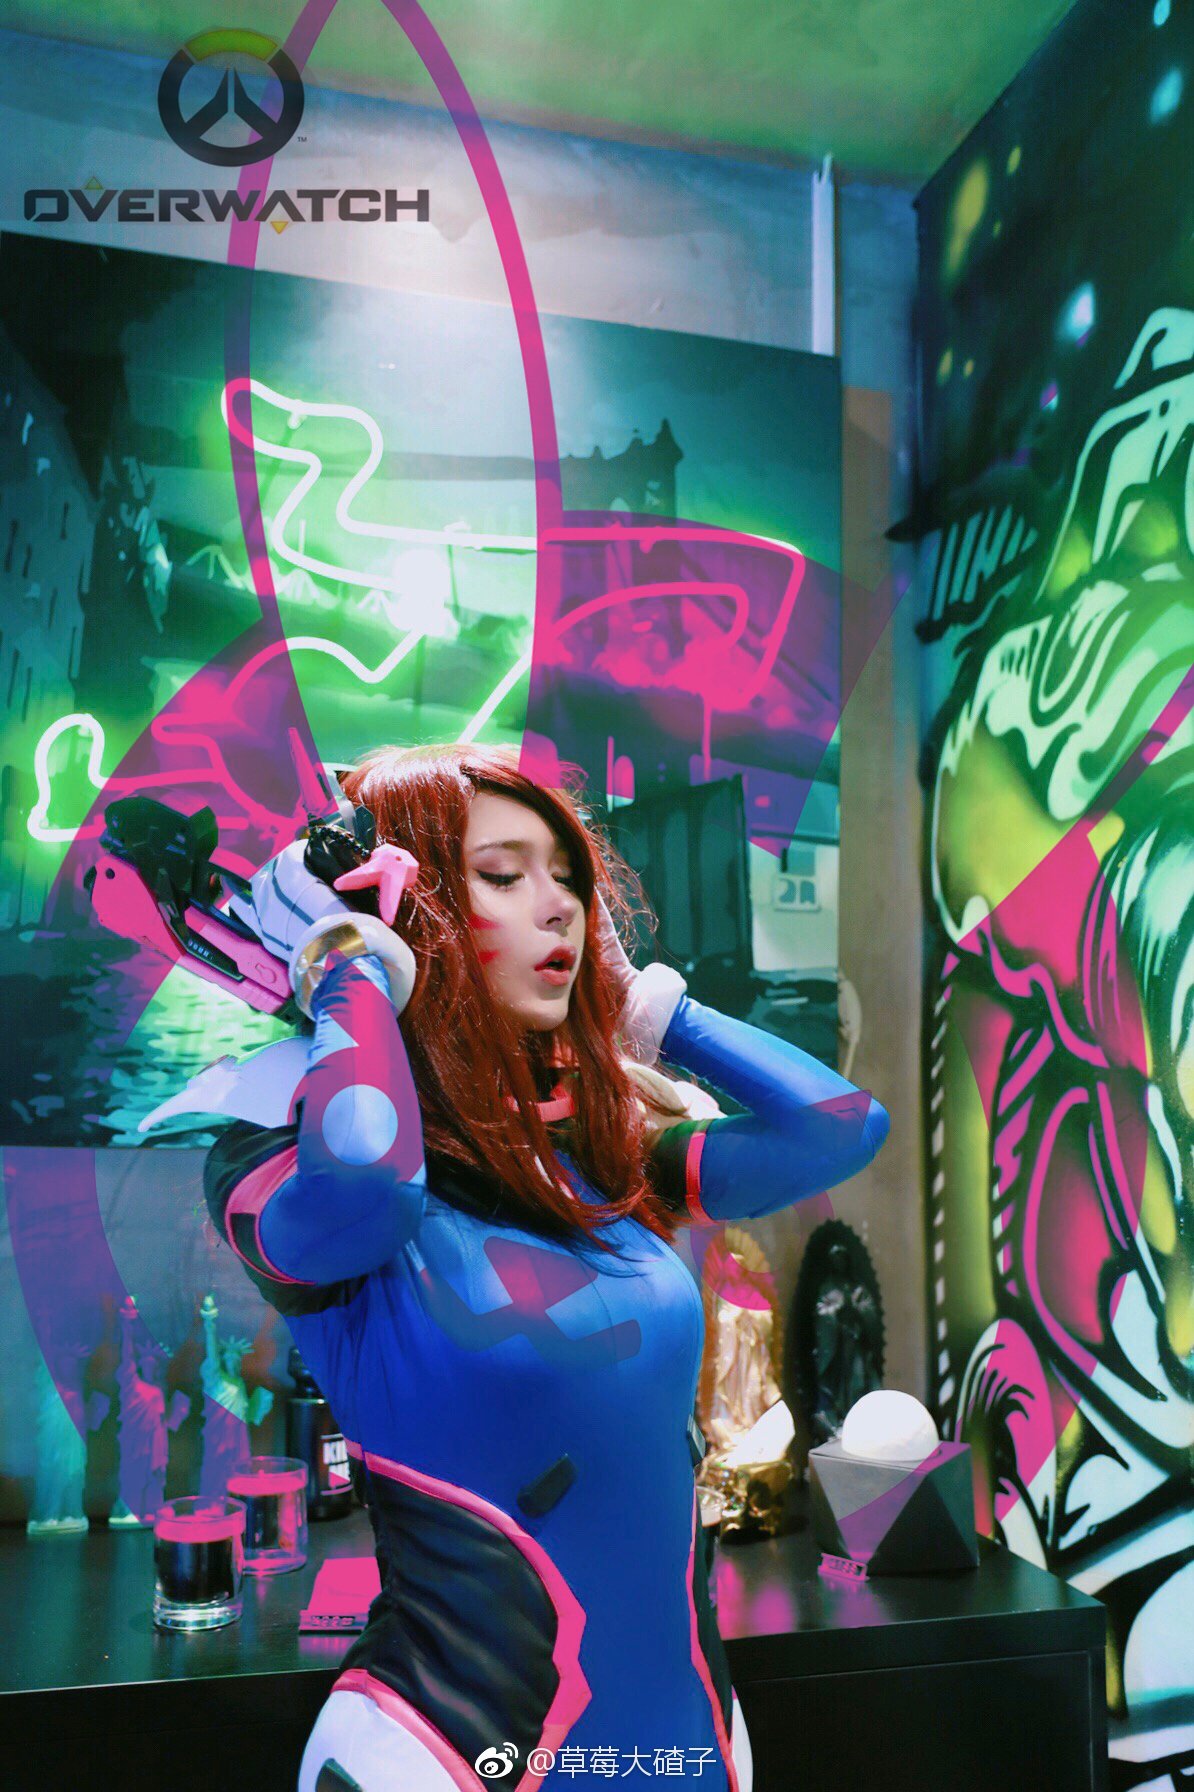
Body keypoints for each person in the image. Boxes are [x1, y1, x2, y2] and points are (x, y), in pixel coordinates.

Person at [201, 743, 890, 1792]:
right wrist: (348, 965)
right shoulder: (280, 1158)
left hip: (690, 1742)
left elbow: (841, 1126)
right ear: (404, 906)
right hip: (442, 1756)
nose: (560, 906)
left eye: (567, 877)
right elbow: (372, 1186)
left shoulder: (607, 1159)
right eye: (502, 874)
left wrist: (644, 1005)